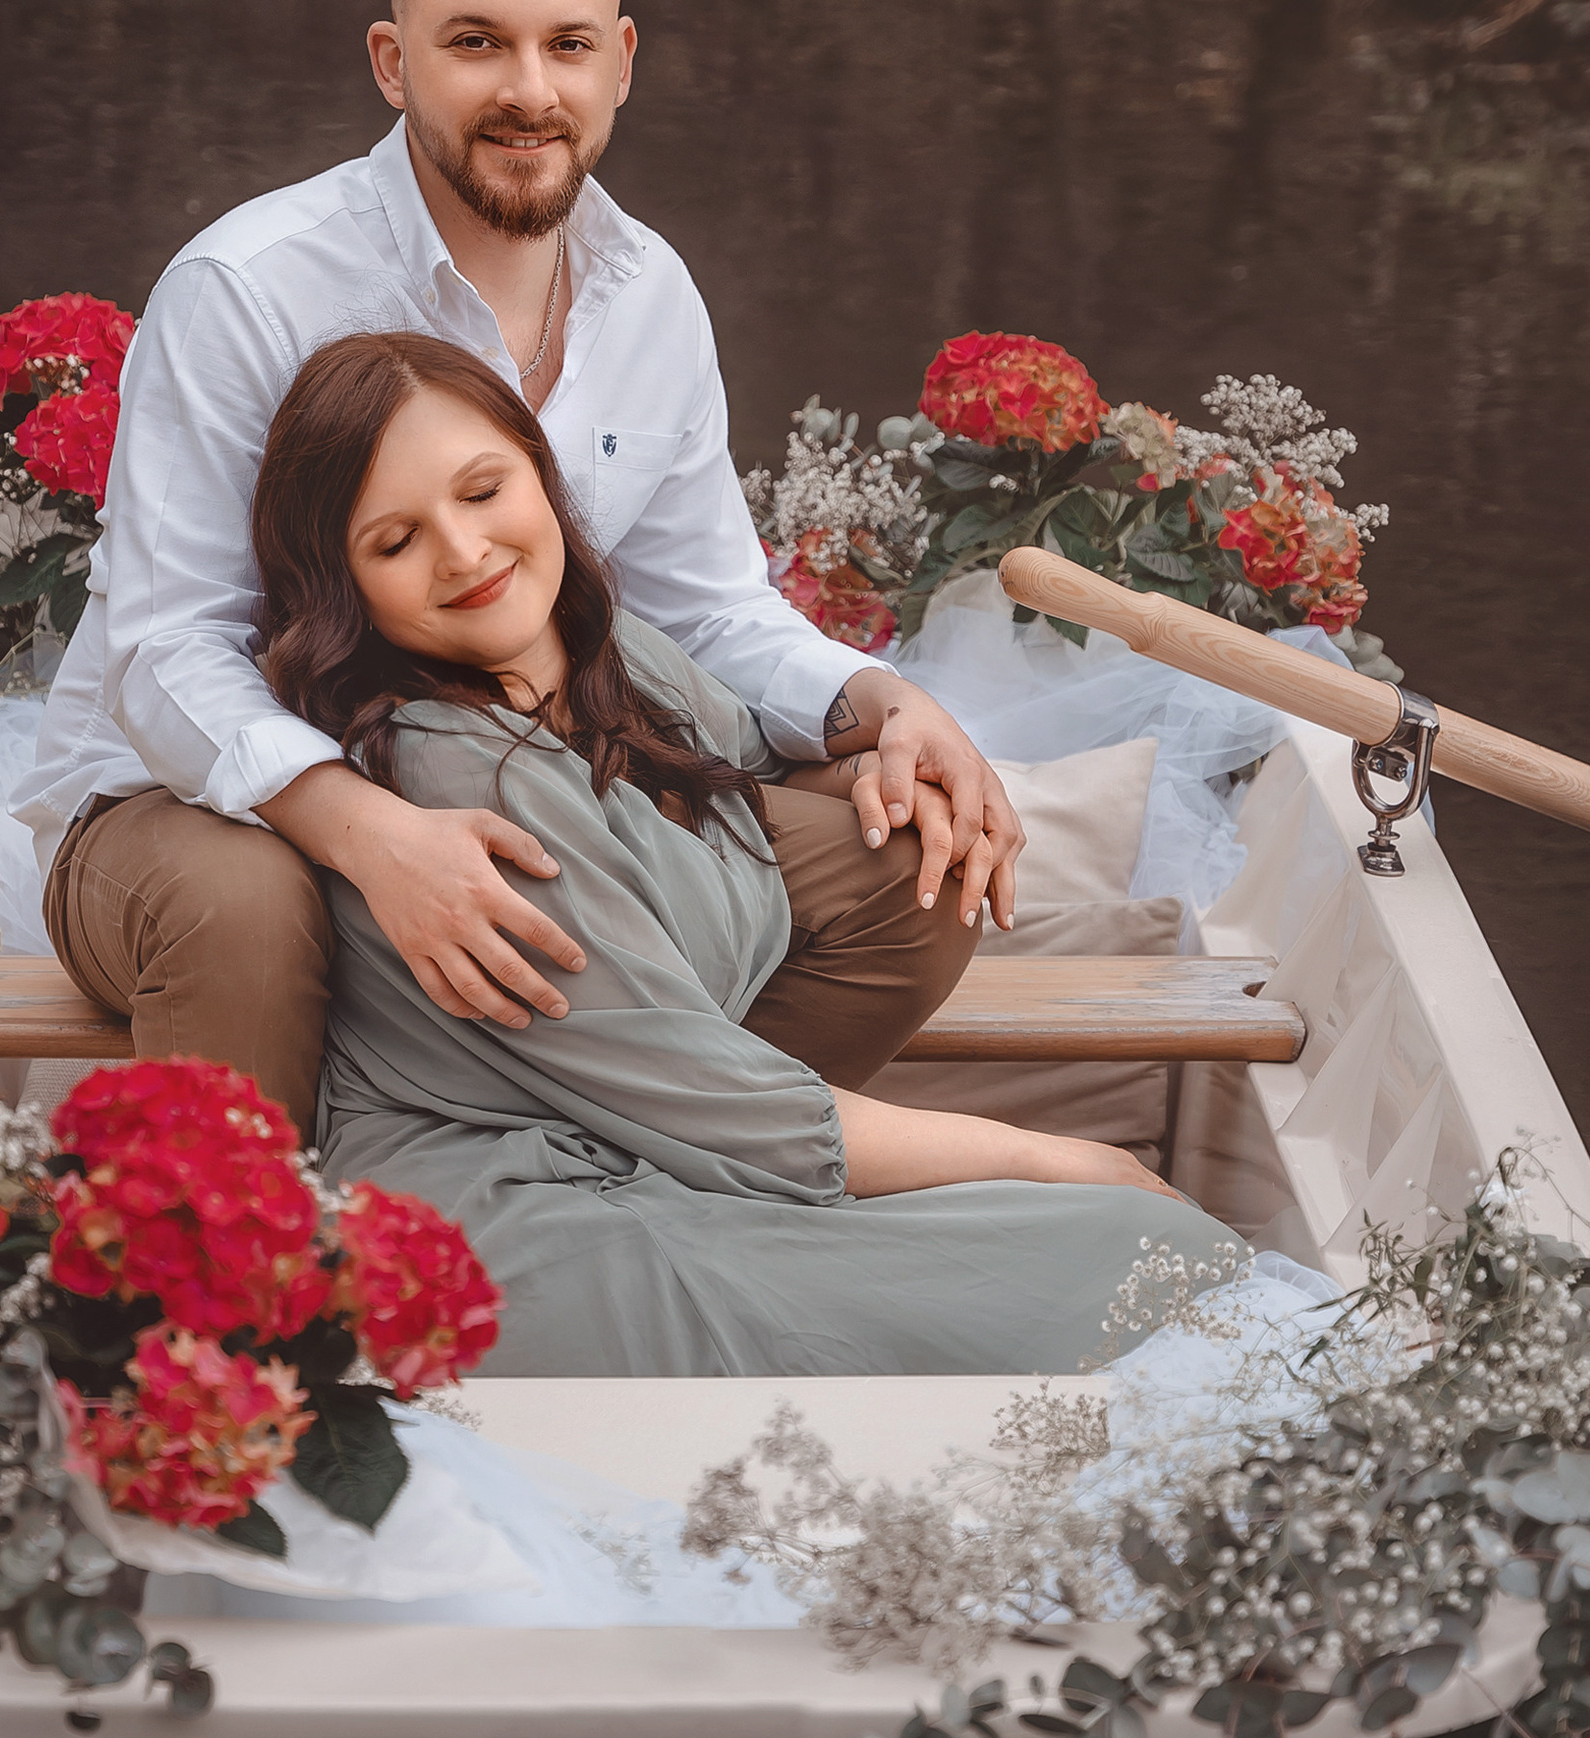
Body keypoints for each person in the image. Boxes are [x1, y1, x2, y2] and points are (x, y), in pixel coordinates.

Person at [21, 0, 1035, 1138]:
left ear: (620, 59)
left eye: (565, 45)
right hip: (211, 811)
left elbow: (708, 612)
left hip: (530, 778)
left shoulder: (650, 292)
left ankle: (643, 1182)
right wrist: (369, 832)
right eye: (476, 44)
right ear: (394, 64)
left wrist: (882, 702)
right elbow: (166, 650)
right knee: (241, 908)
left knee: (917, 855)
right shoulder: (248, 287)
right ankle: (247, 1308)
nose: (529, 92)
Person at [250, 330, 1242, 1378]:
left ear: (540, 476)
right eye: (395, 543)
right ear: (346, 591)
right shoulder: (458, 775)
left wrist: (880, 740)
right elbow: (715, 1095)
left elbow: (745, 760)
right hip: (502, 1221)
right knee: (1143, 1255)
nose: (460, 552)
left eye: (483, 489)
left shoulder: (618, 661)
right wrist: (1059, 1157)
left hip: (643, 1158)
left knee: (1135, 1259)